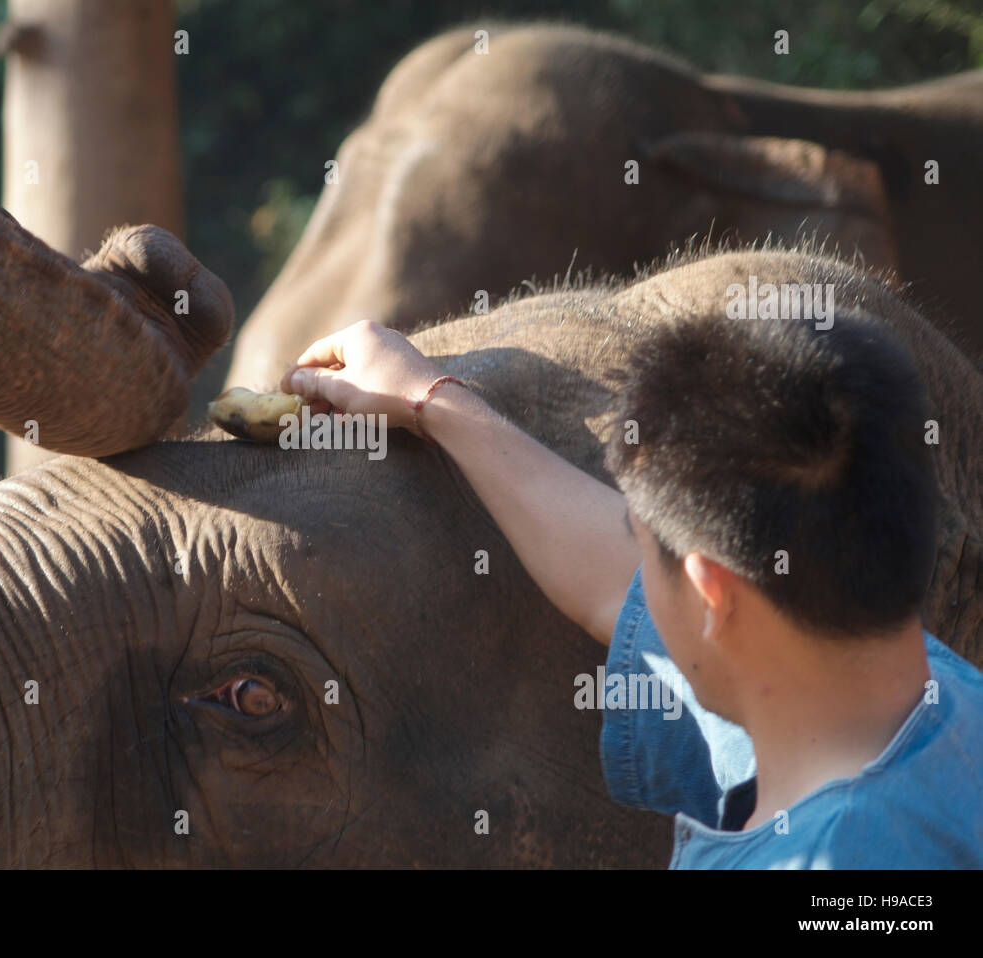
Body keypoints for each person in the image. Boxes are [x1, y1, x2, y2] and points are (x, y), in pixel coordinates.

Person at [279, 313, 983, 868]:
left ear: (714, 594)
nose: (635, 565)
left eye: (645, 544)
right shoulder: (926, 697)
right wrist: (432, 399)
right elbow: (611, 578)